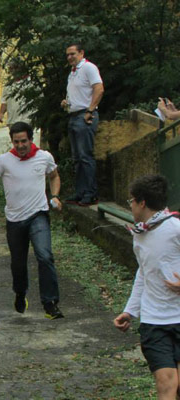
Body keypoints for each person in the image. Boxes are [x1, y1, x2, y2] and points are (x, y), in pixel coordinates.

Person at [0, 121, 64, 320]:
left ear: (30, 139)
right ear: (12, 141)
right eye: (16, 142)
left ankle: (50, 303)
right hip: (15, 220)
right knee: (18, 263)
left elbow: (54, 176)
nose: (20, 146)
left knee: (44, 255)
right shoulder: (4, 160)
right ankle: (20, 292)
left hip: (38, 215)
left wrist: (54, 196)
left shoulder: (44, 157)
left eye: (24, 141)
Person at [113, 174, 180, 400]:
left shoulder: (175, 228)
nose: (130, 205)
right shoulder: (139, 235)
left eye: (131, 200)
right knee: (166, 383)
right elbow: (144, 272)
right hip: (154, 321)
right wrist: (130, 310)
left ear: (142, 202)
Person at [60, 43, 104, 207]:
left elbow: (99, 89)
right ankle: (80, 192)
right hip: (73, 115)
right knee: (77, 157)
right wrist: (66, 102)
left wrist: (90, 110)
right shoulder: (72, 73)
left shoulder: (88, 68)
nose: (70, 57)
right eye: (68, 55)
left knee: (85, 156)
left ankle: (91, 193)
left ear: (81, 53)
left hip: (84, 116)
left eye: (72, 54)